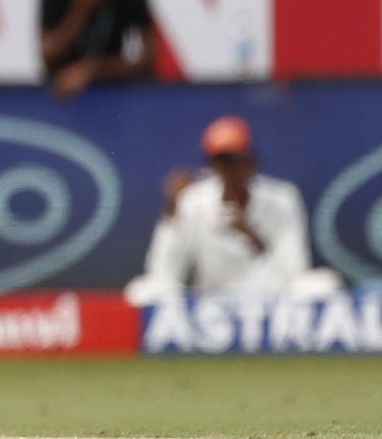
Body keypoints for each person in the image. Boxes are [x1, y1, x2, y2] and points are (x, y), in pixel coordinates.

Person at [126, 116, 345, 302]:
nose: (229, 170)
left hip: (272, 300)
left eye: (234, 161)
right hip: (211, 301)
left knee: (324, 285)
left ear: (251, 162)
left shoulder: (283, 198)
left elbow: (294, 272)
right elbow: (163, 273)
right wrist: (171, 213)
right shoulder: (194, 200)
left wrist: (252, 237)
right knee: (143, 290)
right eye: (221, 162)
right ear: (212, 166)